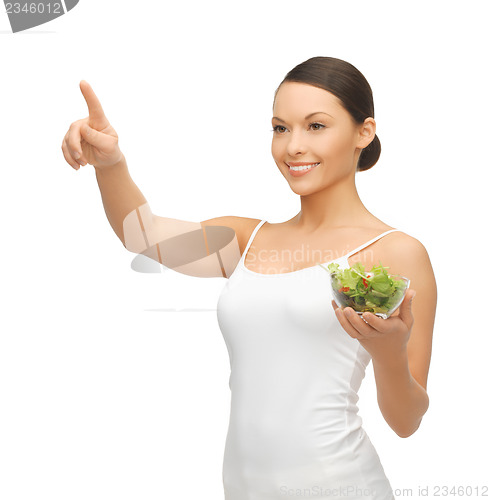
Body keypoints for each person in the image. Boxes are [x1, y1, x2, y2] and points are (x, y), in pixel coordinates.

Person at [61, 56, 437, 499]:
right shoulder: (247, 238)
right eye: (281, 128)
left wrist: (389, 352)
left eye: (316, 126)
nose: (293, 146)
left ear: (364, 132)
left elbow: (406, 422)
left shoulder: (396, 251)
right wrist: (111, 163)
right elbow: (143, 235)